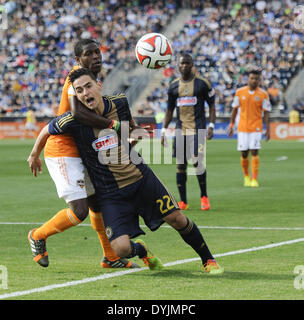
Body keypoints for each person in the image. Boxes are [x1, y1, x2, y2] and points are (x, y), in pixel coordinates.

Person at [29, 68, 224, 274]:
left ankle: (208, 260)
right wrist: (34, 154)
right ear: (75, 96)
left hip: (141, 179)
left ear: (99, 86)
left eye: (88, 86)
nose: (86, 93)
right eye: (79, 90)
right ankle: (142, 250)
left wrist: (135, 135)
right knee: (120, 249)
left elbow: (131, 128)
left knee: (177, 219)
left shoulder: (119, 102)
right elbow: (46, 130)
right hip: (111, 194)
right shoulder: (72, 120)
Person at [27, 39, 137, 269]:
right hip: (63, 150)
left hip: (81, 151)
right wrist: (114, 126)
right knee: (79, 211)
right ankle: (38, 235)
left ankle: (111, 257)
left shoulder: (91, 80)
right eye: (89, 54)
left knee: (96, 203)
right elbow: (78, 114)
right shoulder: (75, 79)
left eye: (98, 52)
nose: (96, 56)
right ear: (78, 60)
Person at [161, 53, 216, 211]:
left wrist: (211, 125)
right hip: (180, 130)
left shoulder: (202, 84)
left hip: (197, 129)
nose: (184, 66)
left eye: (187, 63)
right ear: (178, 66)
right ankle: (183, 201)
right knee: (180, 165)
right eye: (181, 63)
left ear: (192, 64)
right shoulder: (173, 86)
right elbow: (169, 110)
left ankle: (204, 196)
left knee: (197, 163)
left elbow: (212, 106)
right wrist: (164, 130)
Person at [228, 69, 271, 187]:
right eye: (252, 78)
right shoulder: (239, 92)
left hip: (256, 128)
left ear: (259, 80)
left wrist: (268, 129)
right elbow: (235, 109)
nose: (254, 80)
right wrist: (231, 125)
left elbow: (266, 112)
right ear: (248, 79)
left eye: (256, 79)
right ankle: (246, 176)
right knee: (244, 153)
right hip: (242, 128)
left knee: (254, 151)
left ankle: (254, 179)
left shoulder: (263, 94)